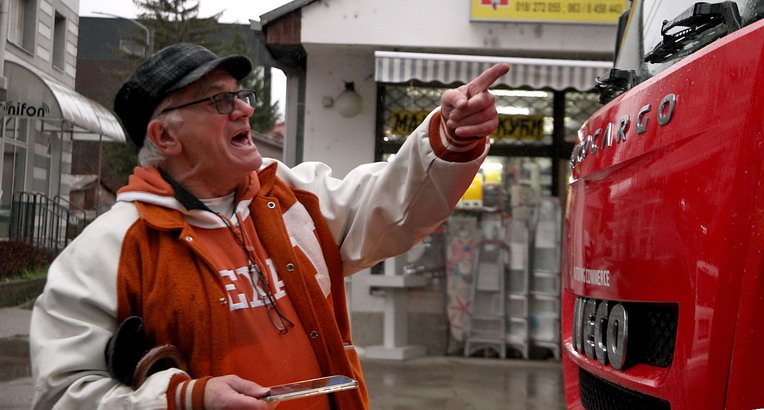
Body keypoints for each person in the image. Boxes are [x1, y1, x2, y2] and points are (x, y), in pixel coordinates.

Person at [29, 43, 509, 410]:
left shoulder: (288, 197)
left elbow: (389, 205)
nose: (244, 110)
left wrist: (450, 136)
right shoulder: (108, 248)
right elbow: (62, 393)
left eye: (241, 96)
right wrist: (183, 398)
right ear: (165, 135)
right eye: (219, 102)